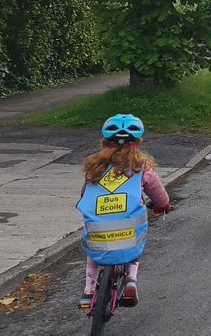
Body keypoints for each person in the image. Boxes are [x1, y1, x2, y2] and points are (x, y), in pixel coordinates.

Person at [76, 114, 171, 309]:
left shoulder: (94, 167)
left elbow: (84, 194)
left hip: (99, 229)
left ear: (104, 142)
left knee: (93, 252)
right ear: (137, 142)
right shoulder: (142, 168)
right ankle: (131, 281)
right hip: (127, 231)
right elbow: (160, 197)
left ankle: (88, 291)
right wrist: (162, 207)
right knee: (134, 242)